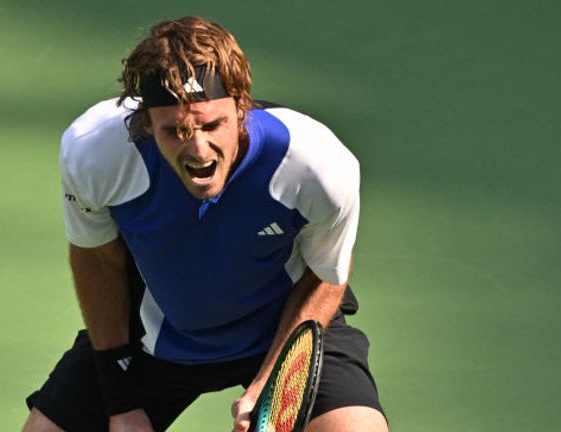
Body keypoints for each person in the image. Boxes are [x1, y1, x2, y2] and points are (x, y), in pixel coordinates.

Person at [23, 16, 388, 432]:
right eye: (175, 131)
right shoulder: (96, 154)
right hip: (152, 337)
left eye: (213, 125)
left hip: (282, 329)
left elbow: (327, 275)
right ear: (145, 122)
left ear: (242, 107)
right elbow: (98, 260)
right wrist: (119, 398)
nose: (199, 150)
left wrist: (275, 383)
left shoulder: (315, 166)